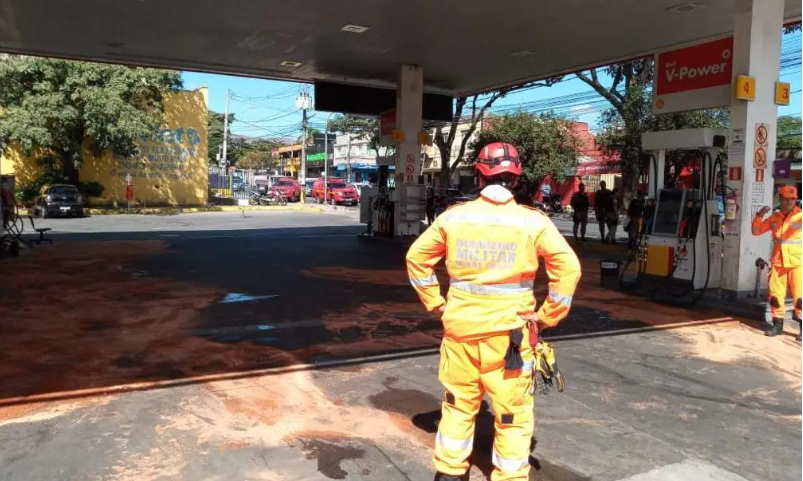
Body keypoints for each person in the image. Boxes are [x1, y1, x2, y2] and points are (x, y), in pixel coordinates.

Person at [405, 142, 582, 481]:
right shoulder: (534, 222)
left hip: (460, 333)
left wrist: (436, 301)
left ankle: (450, 474)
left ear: (479, 174)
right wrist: (548, 315)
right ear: (516, 179)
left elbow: (417, 259)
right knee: (512, 415)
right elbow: (568, 269)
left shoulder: (454, 217)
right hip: (511, 339)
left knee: (457, 405)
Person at [751, 185, 802, 340]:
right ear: (780, 199)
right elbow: (756, 231)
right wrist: (759, 216)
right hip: (778, 262)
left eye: (792, 199)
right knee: (775, 295)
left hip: (798, 263)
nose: (789, 202)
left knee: (800, 297)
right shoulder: (774, 217)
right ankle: (777, 325)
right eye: (786, 199)